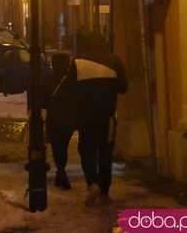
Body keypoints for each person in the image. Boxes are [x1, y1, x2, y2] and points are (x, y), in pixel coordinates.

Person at [55, 32, 128, 206]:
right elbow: (123, 87)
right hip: (108, 117)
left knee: (87, 151)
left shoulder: (78, 63)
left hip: (85, 116)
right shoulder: (115, 61)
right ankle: (104, 191)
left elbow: (68, 90)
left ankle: (92, 183)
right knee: (105, 153)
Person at [46, 51, 74, 190]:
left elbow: (43, 100)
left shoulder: (48, 78)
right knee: (63, 146)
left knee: (57, 147)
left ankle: (61, 171)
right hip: (68, 118)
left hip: (54, 118)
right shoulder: (70, 79)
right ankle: (61, 172)